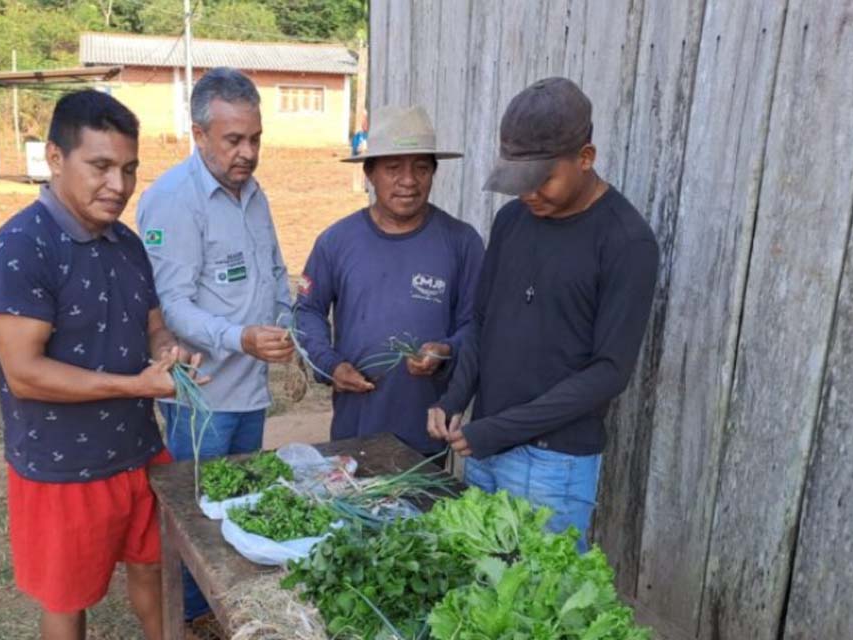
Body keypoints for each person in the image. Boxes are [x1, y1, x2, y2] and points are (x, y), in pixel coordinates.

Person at [0, 90, 205, 640]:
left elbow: (153, 323)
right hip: (62, 471)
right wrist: (135, 385)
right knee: (67, 602)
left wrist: (166, 354)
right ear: (55, 158)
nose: (119, 186)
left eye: (128, 169)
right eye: (100, 166)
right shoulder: (17, 249)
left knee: (155, 568)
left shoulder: (126, 242)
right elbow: (25, 374)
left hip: (139, 453)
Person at [427, 77, 659, 552]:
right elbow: (482, 322)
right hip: (484, 448)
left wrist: (496, 429)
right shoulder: (511, 222)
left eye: (541, 180)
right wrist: (453, 399)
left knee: (535, 607)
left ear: (586, 157)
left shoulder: (626, 242)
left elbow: (609, 373)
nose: (528, 195)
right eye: (518, 182)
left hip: (554, 467)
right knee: (478, 595)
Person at [136, 67, 293, 624]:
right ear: (199, 134)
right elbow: (172, 306)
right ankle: (195, 618)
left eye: (254, 138)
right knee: (194, 515)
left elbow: (274, 270)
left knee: (240, 505)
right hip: (199, 400)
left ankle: (228, 609)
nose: (247, 152)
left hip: (249, 391)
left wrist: (286, 319)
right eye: (233, 140)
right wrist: (240, 337)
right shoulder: (173, 200)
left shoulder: (254, 193)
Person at [297, 105, 484, 454]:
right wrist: (330, 364)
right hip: (354, 432)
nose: (409, 181)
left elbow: (477, 323)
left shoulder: (462, 242)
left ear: (434, 173)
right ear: (370, 173)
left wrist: (446, 350)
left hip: (426, 438)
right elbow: (307, 311)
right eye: (393, 168)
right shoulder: (336, 241)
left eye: (422, 169)